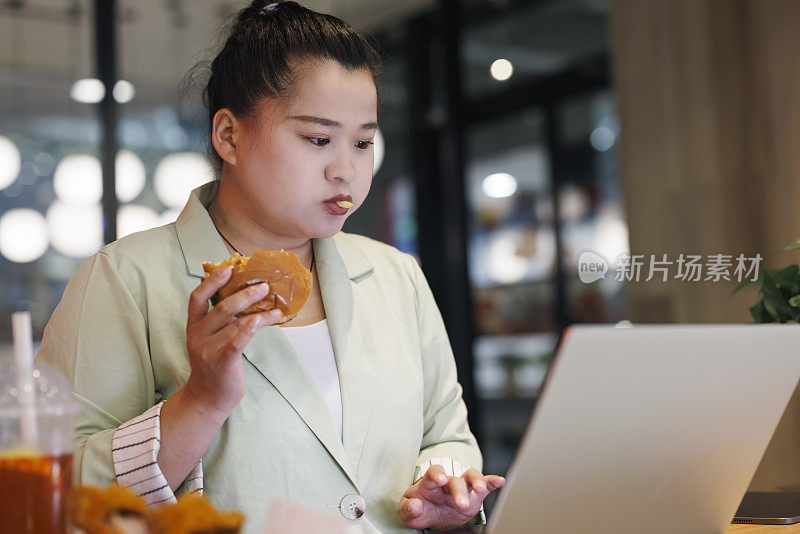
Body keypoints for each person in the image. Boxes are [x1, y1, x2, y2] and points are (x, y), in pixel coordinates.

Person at [36, 2, 504, 532]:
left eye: (364, 142)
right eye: (318, 139)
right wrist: (200, 402)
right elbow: (59, 495)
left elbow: (446, 435)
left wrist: (444, 487)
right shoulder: (124, 279)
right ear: (229, 136)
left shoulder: (396, 276)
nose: (346, 169)